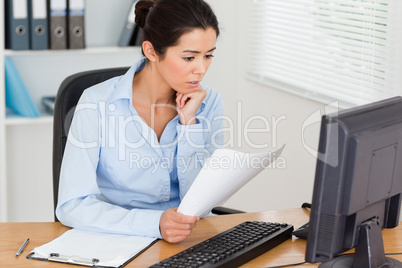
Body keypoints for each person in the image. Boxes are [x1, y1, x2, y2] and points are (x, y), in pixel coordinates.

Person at [56, 0, 224, 243]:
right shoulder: (97, 103)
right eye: (189, 58)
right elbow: (72, 205)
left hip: (188, 237)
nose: (201, 69)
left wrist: (189, 126)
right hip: (119, 238)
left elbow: (203, 202)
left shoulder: (208, 102)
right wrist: (154, 223)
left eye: (208, 55)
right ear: (151, 51)